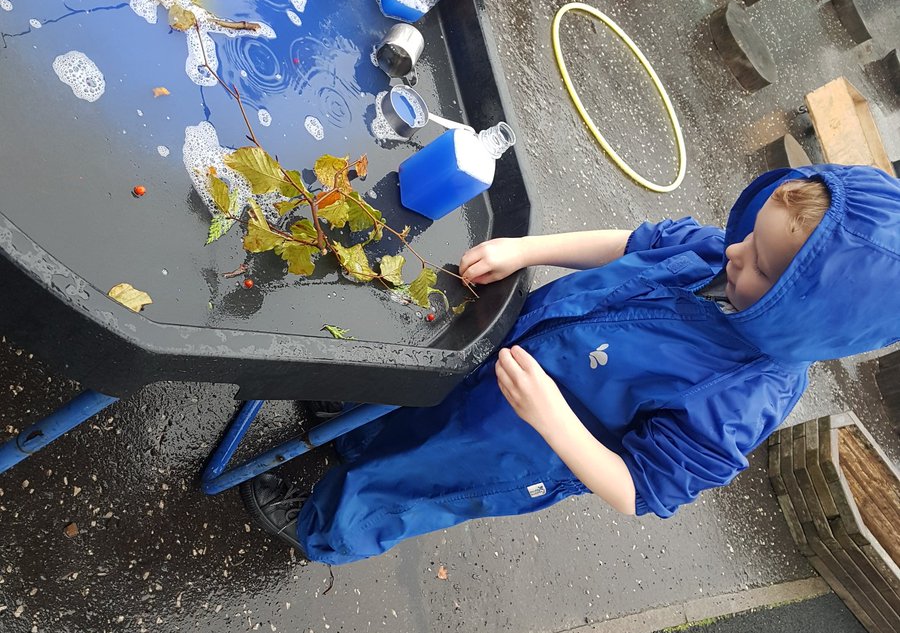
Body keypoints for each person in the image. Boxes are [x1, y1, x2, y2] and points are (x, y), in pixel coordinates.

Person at [241, 164, 900, 564]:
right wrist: (529, 250)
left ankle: (324, 524)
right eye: (751, 234)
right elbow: (631, 243)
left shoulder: (741, 395)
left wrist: (552, 420)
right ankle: (356, 433)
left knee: (424, 480)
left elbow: (639, 489)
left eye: (760, 267)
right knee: (429, 400)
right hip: (518, 354)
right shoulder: (716, 254)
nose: (736, 255)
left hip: (523, 446)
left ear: (806, 316)